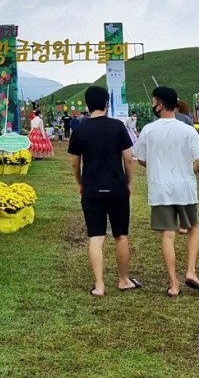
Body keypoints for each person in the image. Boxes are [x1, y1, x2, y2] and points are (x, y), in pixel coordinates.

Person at [132, 86, 199, 297]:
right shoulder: (188, 130)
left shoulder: (148, 130)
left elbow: (142, 159)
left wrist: (156, 166)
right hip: (185, 188)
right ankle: (191, 271)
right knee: (193, 227)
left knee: (168, 234)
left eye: (153, 102)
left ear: (160, 104)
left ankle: (174, 284)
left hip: (160, 189)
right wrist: (187, 170)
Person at [68, 85, 140, 296]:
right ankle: (123, 280)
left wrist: (80, 182)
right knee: (121, 235)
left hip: (91, 190)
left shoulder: (80, 129)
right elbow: (129, 158)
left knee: (96, 237)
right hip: (117, 189)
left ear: (87, 105)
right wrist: (128, 182)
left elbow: (74, 163)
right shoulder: (118, 127)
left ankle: (99, 285)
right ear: (106, 104)